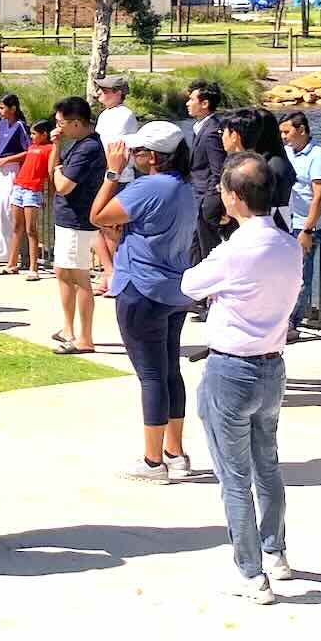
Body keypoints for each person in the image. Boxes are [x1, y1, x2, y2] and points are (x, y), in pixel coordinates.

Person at [181, 153, 302, 605]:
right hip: (272, 364)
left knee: (234, 476)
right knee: (266, 465)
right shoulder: (288, 245)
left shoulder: (235, 251)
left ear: (234, 197)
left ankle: (250, 573)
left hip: (231, 367)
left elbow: (189, 284)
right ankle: (275, 553)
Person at [90, 121, 199, 481]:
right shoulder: (183, 187)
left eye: (137, 152)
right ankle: (175, 452)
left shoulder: (149, 186)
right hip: (173, 288)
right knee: (169, 371)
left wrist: (111, 172)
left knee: (152, 376)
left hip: (142, 287)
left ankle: (154, 461)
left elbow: (98, 216)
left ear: (152, 157)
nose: (131, 157)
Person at [48, 97, 104, 355]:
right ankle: (68, 329)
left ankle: (85, 338)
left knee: (79, 277)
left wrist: (59, 171)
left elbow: (62, 184)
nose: (58, 127)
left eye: (62, 123)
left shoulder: (89, 148)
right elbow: (54, 172)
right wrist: (56, 146)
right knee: (62, 272)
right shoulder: (76, 144)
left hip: (78, 221)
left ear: (77, 123)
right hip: (66, 218)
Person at [281, 112, 321, 329]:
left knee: (300, 278)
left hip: (303, 225)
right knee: (283, 274)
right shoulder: (286, 153)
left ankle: (292, 323)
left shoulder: (318, 155)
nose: (283, 137)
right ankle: (281, 319)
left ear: (301, 130)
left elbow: (319, 195)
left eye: (287, 132)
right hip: (284, 221)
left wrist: (308, 230)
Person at [185, 79, 228, 264]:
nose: (187, 103)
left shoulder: (211, 132)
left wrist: (208, 202)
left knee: (206, 247)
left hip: (204, 199)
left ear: (204, 104)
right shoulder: (201, 127)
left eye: (191, 99)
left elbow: (218, 170)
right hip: (196, 196)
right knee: (195, 245)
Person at [4, 121, 53, 280]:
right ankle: (11, 264)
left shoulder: (50, 149)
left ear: (44, 134)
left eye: (34, 134)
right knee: (17, 227)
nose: (31, 137)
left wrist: (50, 194)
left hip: (33, 190)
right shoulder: (31, 147)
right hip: (19, 187)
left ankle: (34, 268)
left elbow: (51, 171)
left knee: (31, 229)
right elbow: (24, 156)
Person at [0, 94, 29, 270]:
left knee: (7, 209)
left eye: (3, 108)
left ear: (13, 109)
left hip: (11, 170)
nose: (0, 112)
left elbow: (28, 150)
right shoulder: (2, 124)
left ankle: (13, 253)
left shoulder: (19, 126)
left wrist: (8, 159)